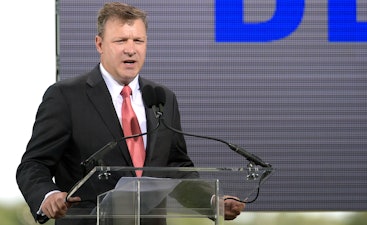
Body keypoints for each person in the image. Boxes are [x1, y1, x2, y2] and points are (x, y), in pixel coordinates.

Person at [16, 2, 245, 225]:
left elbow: (176, 168)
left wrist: (211, 200)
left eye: (138, 40)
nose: (130, 49)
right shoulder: (66, 97)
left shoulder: (162, 98)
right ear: (99, 44)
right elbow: (33, 164)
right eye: (120, 40)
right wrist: (48, 195)